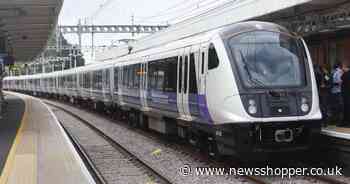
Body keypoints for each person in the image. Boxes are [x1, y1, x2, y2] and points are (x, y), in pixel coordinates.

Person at [341, 61, 350, 127]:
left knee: (346, 108)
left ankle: (346, 122)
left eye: (343, 67)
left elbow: (342, 78)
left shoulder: (346, 74)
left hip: (346, 94)